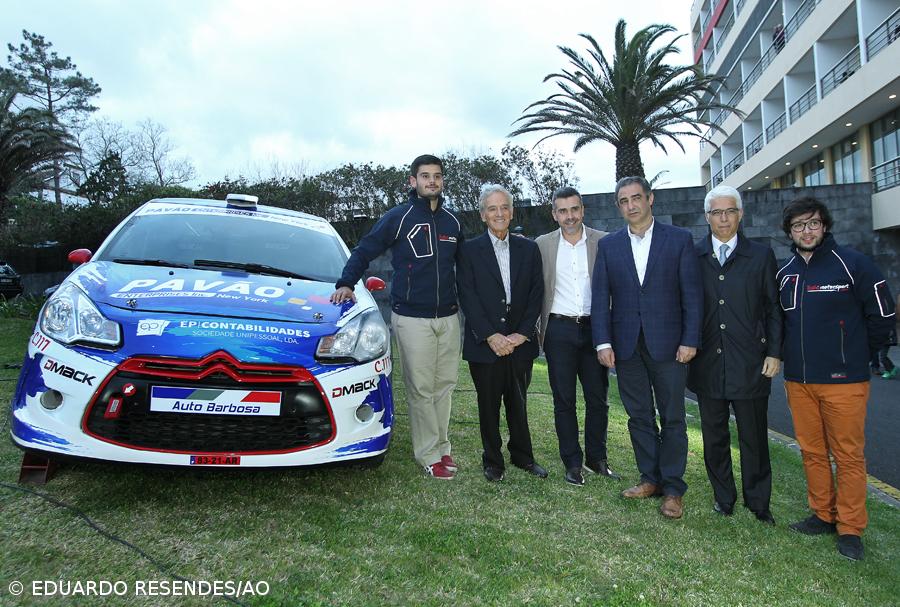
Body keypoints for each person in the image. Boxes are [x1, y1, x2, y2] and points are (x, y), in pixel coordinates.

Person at [777, 197, 896, 561]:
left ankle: (850, 527)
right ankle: (822, 514)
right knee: (812, 452)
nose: (806, 231)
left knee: (847, 455)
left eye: (813, 223)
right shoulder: (785, 273)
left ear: (825, 225)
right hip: (799, 381)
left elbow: (883, 315)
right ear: (790, 232)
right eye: (798, 225)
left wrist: (858, 354)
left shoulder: (854, 264)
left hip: (845, 381)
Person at [330, 154, 464, 479]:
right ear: (413, 181)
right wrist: (346, 283)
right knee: (421, 388)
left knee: (445, 385)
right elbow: (365, 249)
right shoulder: (399, 217)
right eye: (425, 176)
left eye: (437, 176)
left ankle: (442, 447)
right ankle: (428, 454)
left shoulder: (453, 222)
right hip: (412, 318)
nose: (432, 181)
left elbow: (467, 267)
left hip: (448, 318)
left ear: (442, 181)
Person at [591, 176, 702, 519]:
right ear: (618, 206)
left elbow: (692, 295)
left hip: (670, 346)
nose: (631, 205)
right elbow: (600, 297)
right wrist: (603, 342)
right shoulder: (609, 245)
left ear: (650, 199)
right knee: (639, 416)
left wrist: (690, 339)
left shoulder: (679, 239)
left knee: (672, 418)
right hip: (626, 347)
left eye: (636, 198)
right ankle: (649, 479)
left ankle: (673, 488)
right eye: (624, 201)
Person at [686, 186, 781, 525]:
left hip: (750, 364)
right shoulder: (693, 255)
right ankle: (723, 497)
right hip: (707, 363)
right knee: (714, 437)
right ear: (707, 217)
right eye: (716, 212)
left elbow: (773, 308)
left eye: (729, 211)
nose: (723, 219)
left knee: (753, 437)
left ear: (740, 215)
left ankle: (758, 502)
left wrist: (774, 352)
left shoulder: (761, 256)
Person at [457, 185, 547, 482]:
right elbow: (467, 295)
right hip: (485, 343)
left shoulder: (529, 249)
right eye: (492, 208)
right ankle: (493, 461)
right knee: (488, 405)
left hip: (520, 342)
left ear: (512, 212)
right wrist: (491, 335)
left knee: (518, 403)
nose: (499, 213)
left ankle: (523, 456)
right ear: (483, 215)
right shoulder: (468, 251)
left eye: (504, 207)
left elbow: (536, 293)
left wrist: (522, 334)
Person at [535, 186, 617, 487]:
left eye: (574, 209)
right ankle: (572, 463)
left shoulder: (603, 242)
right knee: (564, 400)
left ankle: (597, 459)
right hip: (559, 329)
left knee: (598, 399)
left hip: (596, 329)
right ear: (554, 214)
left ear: (582, 210)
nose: (569, 216)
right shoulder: (542, 245)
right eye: (563, 211)